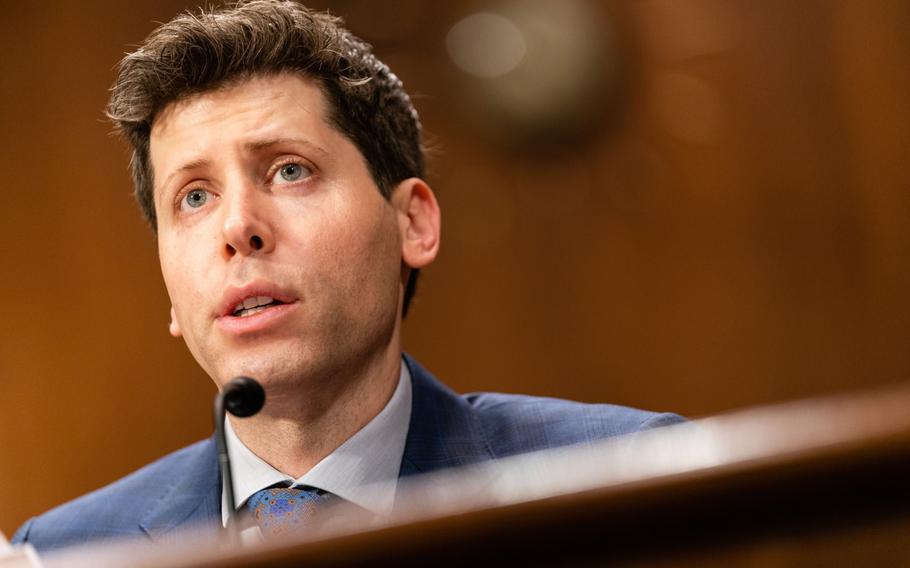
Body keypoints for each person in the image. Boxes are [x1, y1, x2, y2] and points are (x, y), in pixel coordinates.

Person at [12, 0, 683, 553]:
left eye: (289, 170)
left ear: (412, 224)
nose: (236, 227)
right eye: (193, 196)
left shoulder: (628, 482)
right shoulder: (71, 553)